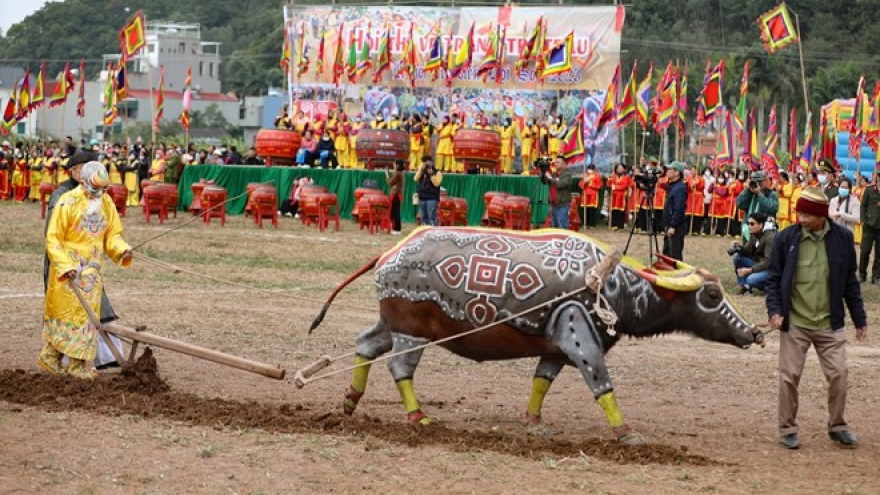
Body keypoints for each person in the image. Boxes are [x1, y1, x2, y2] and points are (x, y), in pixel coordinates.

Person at [766, 187, 867, 450]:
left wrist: (859, 319)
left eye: (807, 214)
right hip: (795, 323)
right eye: (799, 212)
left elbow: (850, 284)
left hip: (829, 324)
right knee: (789, 377)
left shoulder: (843, 239)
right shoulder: (786, 239)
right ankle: (787, 429)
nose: (800, 218)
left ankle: (838, 426)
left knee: (839, 374)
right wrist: (775, 311)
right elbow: (774, 280)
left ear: (821, 216)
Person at [40, 161, 133, 379]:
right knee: (65, 316)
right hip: (68, 272)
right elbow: (53, 238)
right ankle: (53, 358)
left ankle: (76, 364)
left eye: (103, 189)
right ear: (83, 181)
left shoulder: (106, 202)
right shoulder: (67, 201)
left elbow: (112, 235)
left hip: (92, 272)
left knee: (86, 320)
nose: (99, 193)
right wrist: (65, 265)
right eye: (95, 188)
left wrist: (122, 250)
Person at [730, 212, 776, 294]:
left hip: (771, 270)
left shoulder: (770, 237)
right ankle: (745, 286)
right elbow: (747, 251)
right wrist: (738, 247)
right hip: (759, 264)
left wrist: (750, 270)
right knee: (737, 256)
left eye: (752, 224)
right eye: (748, 223)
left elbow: (768, 262)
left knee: (751, 279)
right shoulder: (754, 233)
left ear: (761, 225)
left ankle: (773, 287)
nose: (749, 226)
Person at [735, 170, 779, 240]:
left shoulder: (771, 194)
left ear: (766, 181)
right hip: (749, 231)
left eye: (760, 182)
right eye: (755, 182)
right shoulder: (749, 193)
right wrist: (747, 190)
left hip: (764, 232)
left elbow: (773, 209)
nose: (757, 184)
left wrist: (759, 194)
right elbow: (738, 203)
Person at [662, 161, 688, 260]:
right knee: (667, 253)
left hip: (676, 226)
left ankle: (678, 274)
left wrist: (673, 225)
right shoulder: (672, 185)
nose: (667, 172)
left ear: (677, 172)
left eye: (670, 169)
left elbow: (679, 208)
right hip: (669, 224)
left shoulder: (680, 188)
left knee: (674, 255)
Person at [859, 171, 880, 284]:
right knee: (865, 250)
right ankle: (862, 274)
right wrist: (863, 220)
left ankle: (876, 276)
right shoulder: (869, 189)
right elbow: (863, 205)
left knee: (879, 253)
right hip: (869, 225)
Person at [545, 156, 574, 229]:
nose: (556, 164)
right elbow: (546, 182)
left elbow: (560, 184)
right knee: (553, 227)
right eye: (555, 162)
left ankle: (563, 240)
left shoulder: (567, 175)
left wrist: (550, 178)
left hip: (563, 205)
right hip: (553, 204)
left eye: (558, 162)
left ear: (564, 164)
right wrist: (544, 173)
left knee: (562, 226)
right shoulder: (554, 174)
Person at [415, 156, 442, 226]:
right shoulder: (422, 172)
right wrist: (420, 170)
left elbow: (436, 184)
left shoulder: (438, 173)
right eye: (423, 162)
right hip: (422, 198)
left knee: (432, 219)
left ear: (431, 162)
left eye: (426, 162)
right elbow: (415, 179)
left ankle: (433, 234)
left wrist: (431, 174)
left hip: (432, 199)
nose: (425, 164)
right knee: (423, 220)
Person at [386, 160, 405, 234]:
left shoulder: (398, 174)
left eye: (394, 165)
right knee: (394, 212)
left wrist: (387, 175)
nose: (393, 166)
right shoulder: (398, 173)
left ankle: (397, 229)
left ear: (397, 166)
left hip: (396, 194)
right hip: (396, 194)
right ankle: (395, 228)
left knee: (395, 212)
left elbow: (390, 183)